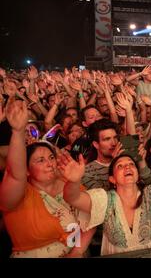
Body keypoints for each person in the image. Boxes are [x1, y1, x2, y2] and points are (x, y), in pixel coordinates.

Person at [61, 153, 151, 256]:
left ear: (138, 175)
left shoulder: (150, 193)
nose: (127, 167)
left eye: (131, 164)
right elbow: (73, 198)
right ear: (112, 179)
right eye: (120, 166)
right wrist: (73, 181)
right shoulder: (104, 199)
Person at [0, 98, 94, 257]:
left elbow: (91, 220)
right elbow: (15, 174)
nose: (50, 163)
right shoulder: (18, 195)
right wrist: (18, 132)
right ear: (27, 170)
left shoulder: (69, 184)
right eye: (40, 160)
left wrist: (76, 252)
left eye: (51, 158)